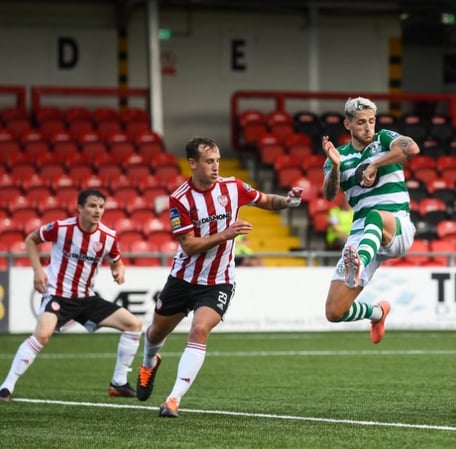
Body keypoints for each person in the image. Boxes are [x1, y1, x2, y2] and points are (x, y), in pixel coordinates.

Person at [134, 137, 304, 418]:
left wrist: (290, 200)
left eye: (218, 161)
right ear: (192, 164)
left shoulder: (233, 187)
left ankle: (173, 400)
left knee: (199, 329)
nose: (215, 167)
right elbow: (188, 245)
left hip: (219, 280)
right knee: (155, 332)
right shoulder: (180, 198)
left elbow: (265, 200)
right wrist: (225, 234)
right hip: (183, 278)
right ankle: (149, 362)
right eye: (209, 162)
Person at [0, 189, 141, 402]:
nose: (97, 211)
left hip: (86, 298)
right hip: (58, 295)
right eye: (92, 206)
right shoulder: (61, 228)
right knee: (42, 335)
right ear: (80, 208)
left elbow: (117, 260)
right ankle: (7, 386)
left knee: (134, 324)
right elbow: (31, 239)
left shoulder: (108, 236)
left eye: (101, 206)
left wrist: (118, 270)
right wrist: (38, 271)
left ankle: (118, 383)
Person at [321, 97, 419, 344]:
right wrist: (334, 166)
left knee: (375, 215)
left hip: (395, 225)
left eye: (371, 121)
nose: (368, 127)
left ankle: (359, 265)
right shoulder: (339, 155)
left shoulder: (384, 139)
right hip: (362, 233)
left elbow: (411, 149)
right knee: (334, 311)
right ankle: (377, 312)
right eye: (361, 122)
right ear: (347, 125)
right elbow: (330, 194)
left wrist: (375, 163)